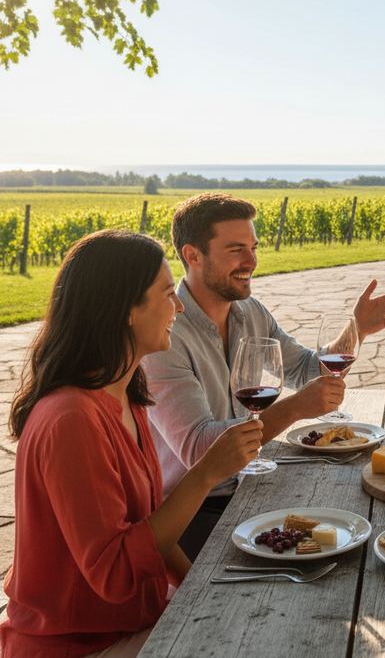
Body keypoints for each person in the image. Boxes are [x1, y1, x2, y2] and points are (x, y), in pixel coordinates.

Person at [0, 230, 262, 658]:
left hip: (134, 619)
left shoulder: (127, 394)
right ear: (124, 310)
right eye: (165, 294)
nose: (178, 305)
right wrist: (207, 473)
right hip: (78, 644)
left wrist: (198, 587)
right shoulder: (71, 419)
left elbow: (150, 523)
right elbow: (116, 571)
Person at [143, 193, 385, 559]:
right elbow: (200, 453)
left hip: (253, 484)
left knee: (367, 520)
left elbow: (305, 370)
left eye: (253, 247)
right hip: (197, 516)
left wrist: (358, 330)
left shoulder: (250, 312)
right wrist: (294, 409)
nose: (252, 261)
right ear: (192, 255)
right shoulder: (165, 335)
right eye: (236, 249)